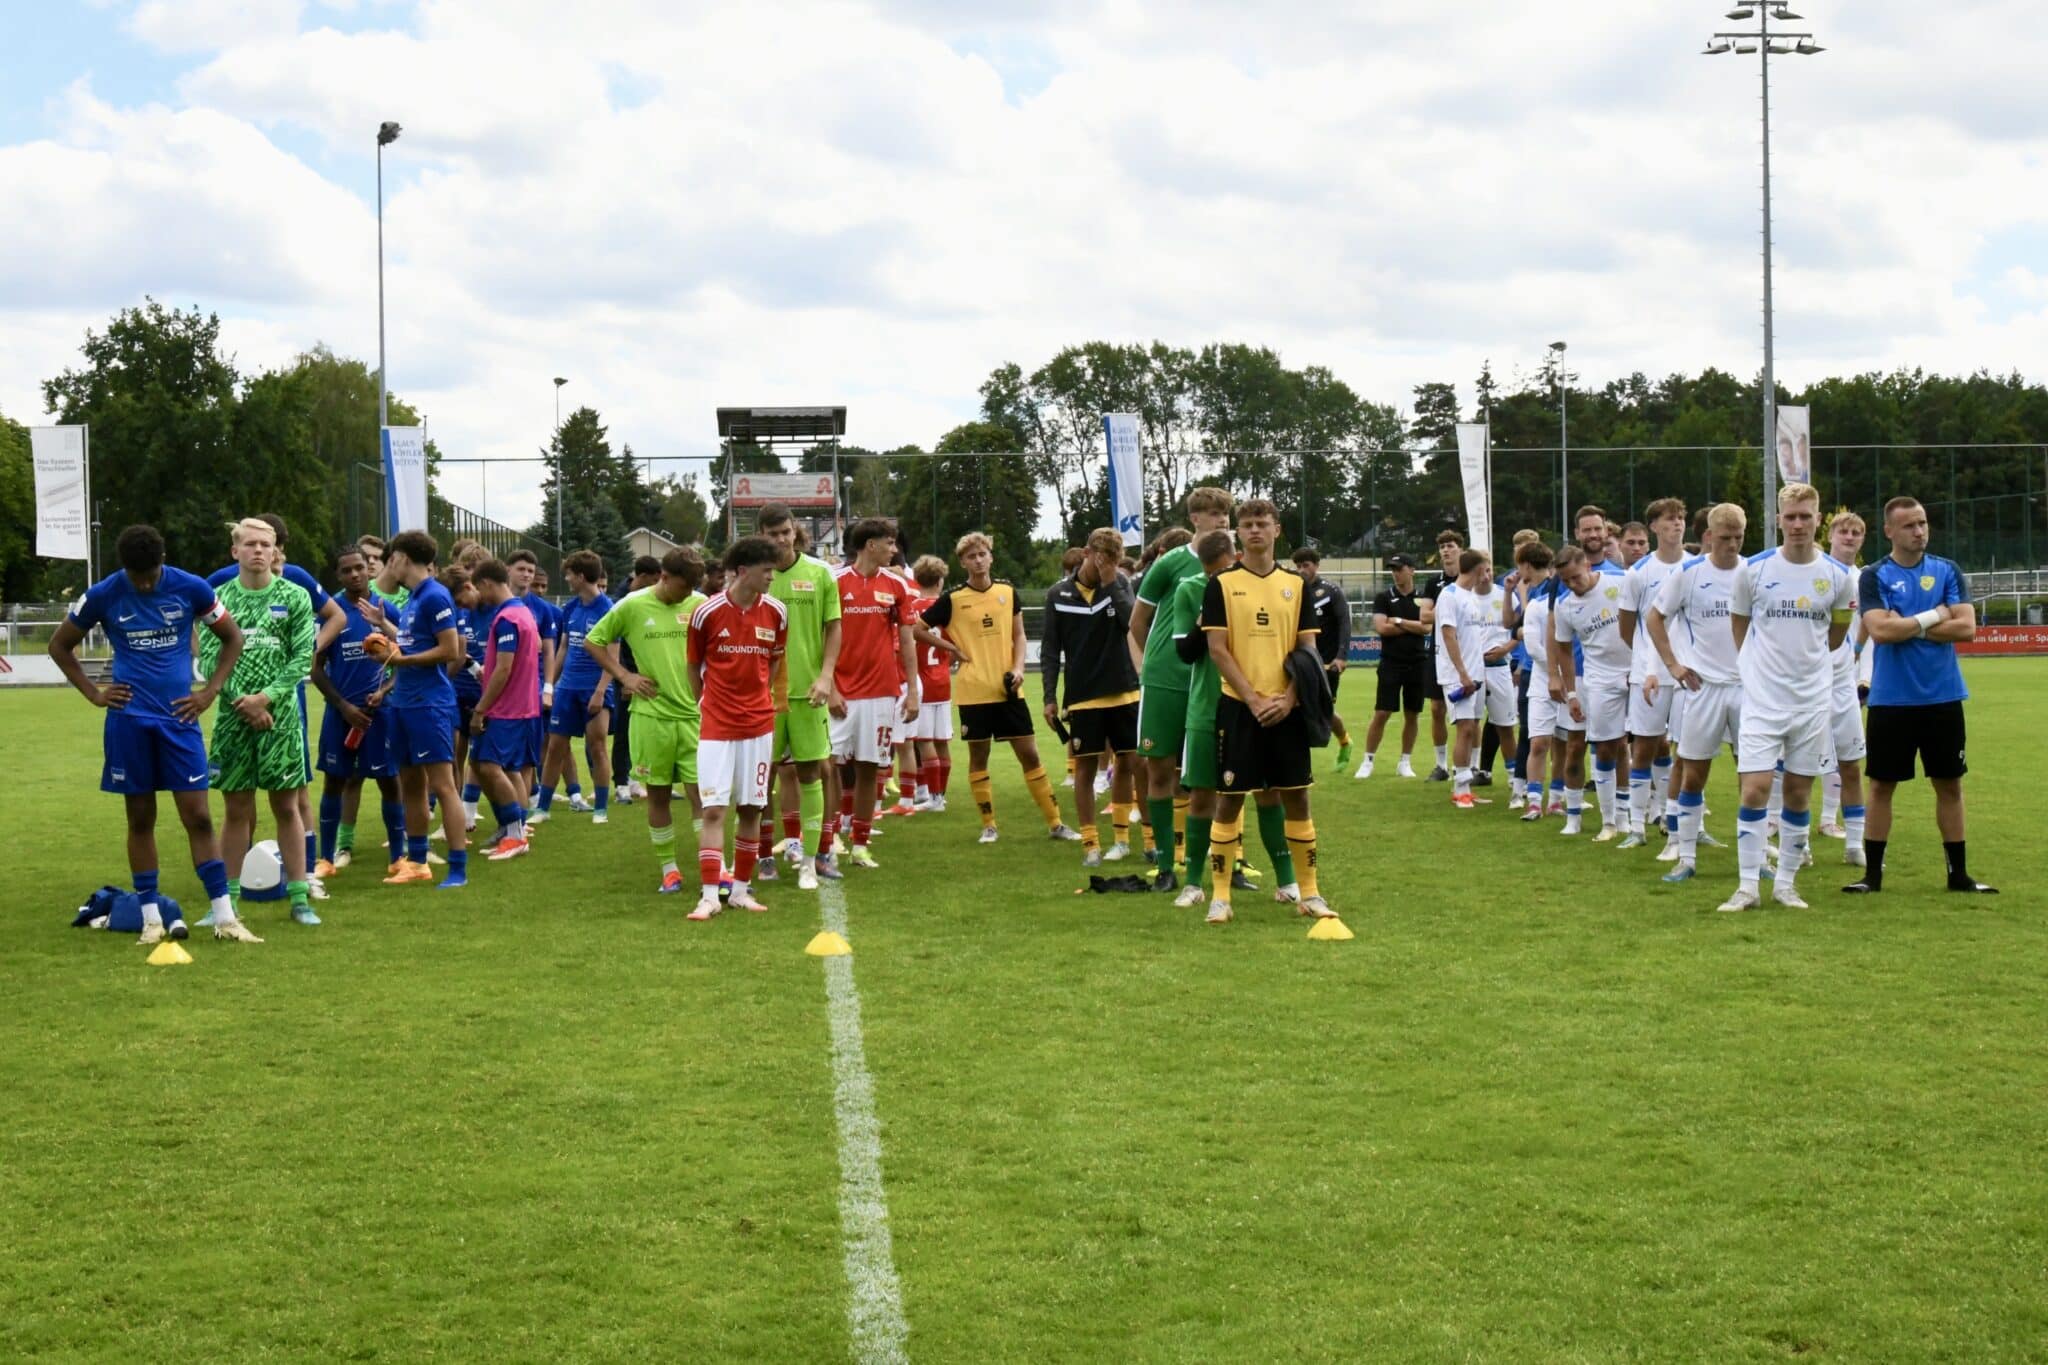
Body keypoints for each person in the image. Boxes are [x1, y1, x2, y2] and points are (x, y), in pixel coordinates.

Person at [48, 523, 244, 945]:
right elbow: (59, 646)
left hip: (179, 721)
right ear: (125, 570)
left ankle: (226, 918)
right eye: (138, 578)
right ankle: (151, 920)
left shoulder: (191, 588)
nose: (145, 583)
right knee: (140, 818)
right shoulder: (103, 594)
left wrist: (210, 691)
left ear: (162, 562)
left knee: (199, 816)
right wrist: (95, 694)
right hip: (129, 722)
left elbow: (232, 638)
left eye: (151, 576)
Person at [1846, 497, 1994, 895]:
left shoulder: (1947, 570)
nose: (1919, 531)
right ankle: (1872, 876)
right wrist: (1935, 615)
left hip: (1943, 697)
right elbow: (1880, 631)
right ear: (1889, 531)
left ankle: (1958, 875)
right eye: (1910, 525)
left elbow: (1966, 629)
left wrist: (1909, 624)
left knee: (1949, 785)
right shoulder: (1874, 576)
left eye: (1923, 523)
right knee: (1881, 786)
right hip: (1891, 700)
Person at [1720, 482, 1854, 912]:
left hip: (1812, 700)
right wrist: (1758, 671)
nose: (1798, 524)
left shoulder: (1837, 575)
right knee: (1755, 789)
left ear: (1819, 519)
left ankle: (1786, 885)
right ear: (1778, 519)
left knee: (1798, 793)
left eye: (1806, 516)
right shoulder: (1753, 571)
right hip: (1763, 700)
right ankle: (1746, 887)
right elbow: (1739, 626)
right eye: (1790, 516)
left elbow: (1836, 635)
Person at [1199, 499, 1333, 924]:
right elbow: (1217, 650)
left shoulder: (1296, 585)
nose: (1255, 530)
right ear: (1238, 532)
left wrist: (1290, 699)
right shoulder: (1220, 584)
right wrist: (1254, 699)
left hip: (1285, 710)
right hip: (1240, 709)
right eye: (1247, 524)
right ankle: (1220, 897)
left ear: (1277, 530)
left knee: (1297, 797)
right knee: (1229, 801)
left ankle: (1309, 893)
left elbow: (1308, 651)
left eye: (1263, 523)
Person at [204, 512, 346, 899]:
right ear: (235, 550)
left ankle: (300, 894)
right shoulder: (218, 600)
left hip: (280, 717)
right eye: (250, 544)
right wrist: (242, 701)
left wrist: (265, 698)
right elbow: (207, 657)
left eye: (265, 545)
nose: (258, 550)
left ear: (275, 551)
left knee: (288, 807)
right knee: (236, 810)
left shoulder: (294, 596)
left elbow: (303, 657)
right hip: (234, 717)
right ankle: (227, 899)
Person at [920, 532, 1078, 846]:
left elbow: (1019, 636)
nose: (978, 560)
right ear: (962, 562)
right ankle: (989, 825)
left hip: (1008, 691)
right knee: (979, 757)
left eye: (982, 554)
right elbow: (917, 629)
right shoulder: (952, 599)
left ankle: (1056, 823)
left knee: (1030, 755)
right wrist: (951, 647)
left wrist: (1018, 668)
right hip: (974, 692)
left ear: (990, 557)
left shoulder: (1007, 592)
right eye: (971, 556)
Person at [584, 547, 708, 894]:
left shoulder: (700, 604)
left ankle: (713, 870)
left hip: (696, 716)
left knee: (703, 795)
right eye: (682, 588)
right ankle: (669, 869)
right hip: (651, 717)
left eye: (691, 589)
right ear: (664, 577)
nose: (686, 595)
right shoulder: (632, 605)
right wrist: (625, 676)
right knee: (658, 795)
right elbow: (594, 642)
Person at [1127, 488, 1235, 882]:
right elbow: (1137, 622)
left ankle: (1229, 859)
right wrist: (1146, 668)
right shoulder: (1171, 562)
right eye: (1212, 513)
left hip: (1210, 683)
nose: (1221, 520)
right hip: (1166, 681)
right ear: (1194, 519)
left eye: (1224, 513)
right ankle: (1165, 863)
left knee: (1223, 775)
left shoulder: (1235, 566)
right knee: (1159, 771)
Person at [685, 537, 788, 920]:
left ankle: (741, 891)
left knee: (751, 808)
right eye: (766, 571)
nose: (772, 577)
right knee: (714, 809)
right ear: (743, 571)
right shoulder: (706, 613)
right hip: (717, 725)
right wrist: (706, 703)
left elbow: (773, 664)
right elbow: (693, 668)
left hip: (759, 726)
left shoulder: (777, 612)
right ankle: (710, 894)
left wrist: (757, 697)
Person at [1646, 502, 1748, 882]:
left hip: (1745, 689)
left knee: (1753, 775)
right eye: (1725, 538)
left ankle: (1754, 859)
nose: (1732, 545)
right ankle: (1685, 856)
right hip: (1703, 689)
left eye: (1738, 537)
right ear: (1709, 536)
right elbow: (1654, 617)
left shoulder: (1753, 572)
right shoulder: (1688, 574)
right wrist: (1673, 665)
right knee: (1693, 773)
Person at [1043, 527, 1141, 867]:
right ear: (1086, 553)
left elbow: (1131, 623)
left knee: (1129, 764)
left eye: (1111, 561)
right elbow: (1051, 650)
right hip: (1083, 695)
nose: (1103, 567)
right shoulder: (1058, 594)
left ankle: (1123, 840)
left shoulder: (1120, 584)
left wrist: (1112, 579)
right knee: (1084, 769)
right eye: (1100, 560)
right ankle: (1091, 844)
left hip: (1126, 690)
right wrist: (1049, 696)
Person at [379, 530, 471, 889]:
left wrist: (401, 660)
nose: (390, 567)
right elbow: (409, 646)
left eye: (392, 559)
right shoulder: (414, 598)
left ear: (402, 558)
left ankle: (458, 869)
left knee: (443, 786)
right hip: (403, 702)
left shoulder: (435, 595)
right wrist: (384, 635)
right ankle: (417, 862)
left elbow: (450, 650)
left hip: (429, 704)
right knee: (410, 784)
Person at [757, 507, 843, 890]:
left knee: (812, 774)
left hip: (809, 694)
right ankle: (762, 857)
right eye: (773, 533)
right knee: (761, 780)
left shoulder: (820, 573)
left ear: (796, 532)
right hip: (763, 698)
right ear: (761, 534)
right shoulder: (753, 577)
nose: (780, 539)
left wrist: (826, 676)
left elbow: (834, 628)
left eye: (786, 532)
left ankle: (811, 860)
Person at [310, 546, 404, 881]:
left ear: (369, 569)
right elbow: (316, 669)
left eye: (360, 568)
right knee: (335, 782)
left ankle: (398, 857)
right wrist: (344, 706)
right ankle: (326, 858)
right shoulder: (330, 612)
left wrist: (384, 691)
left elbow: (404, 661)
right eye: (347, 570)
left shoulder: (384, 609)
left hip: (381, 714)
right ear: (338, 575)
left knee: (389, 781)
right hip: (342, 713)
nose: (354, 574)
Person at [830, 519, 919, 869]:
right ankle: (830, 835)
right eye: (889, 543)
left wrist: (912, 691)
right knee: (830, 768)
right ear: (869, 545)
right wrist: (831, 686)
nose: (894, 549)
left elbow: (908, 641)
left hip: (882, 693)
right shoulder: (834, 582)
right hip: (840, 693)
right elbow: (820, 641)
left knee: (870, 768)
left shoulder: (897, 585)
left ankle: (860, 844)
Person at [1168, 529, 1239, 909]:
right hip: (1206, 705)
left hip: (1250, 705)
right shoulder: (1189, 589)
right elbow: (1186, 652)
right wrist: (1202, 618)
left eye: (1222, 572)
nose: (1216, 581)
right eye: (1211, 575)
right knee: (1201, 796)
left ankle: (1290, 883)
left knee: (1267, 794)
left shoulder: (1252, 586)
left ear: (1236, 557)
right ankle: (1193, 883)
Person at [1548, 545, 1631, 838]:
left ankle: (1624, 816)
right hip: (1598, 679)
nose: (1572, 585)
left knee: (1634, 745)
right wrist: (1571, 694)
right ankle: (1602, 821)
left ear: (1587, 565)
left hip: (1635, 672)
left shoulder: (1620, 582)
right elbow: (1564, 650)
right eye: (1565, 581)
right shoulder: (1565, 605)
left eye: (1575, 577)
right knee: (1602, 747)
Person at [1619, 498, 1689, 849]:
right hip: (1647, 676)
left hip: (1687, 677)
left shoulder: (1696, 567)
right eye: (1669, 519)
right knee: (1644, 748)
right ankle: (1636, 826)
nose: (1677, 524)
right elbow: (1627, 629)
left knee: (1688, 751)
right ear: (1654, 527)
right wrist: (1649, 665)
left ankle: (1676, 821)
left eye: (1681, 518)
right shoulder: (1638, 573)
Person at [466, 559, 542, 861]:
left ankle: (515, 836)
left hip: (506, 709)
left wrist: (480, 709)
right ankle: (512, 829)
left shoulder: (508, 618)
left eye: (476, 586)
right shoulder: (522, 612)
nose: (476, 594)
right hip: (522, 706)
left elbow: (504, 669)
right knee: (505, 769)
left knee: (487, 766)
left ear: (485, 583)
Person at [537, 550, 616, 824]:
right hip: (567, 689)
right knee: (555, 746)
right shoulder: (570, 608)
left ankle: (601, 810)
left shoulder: (609, 609)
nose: (567, 578)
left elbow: (613, 657)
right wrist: (550, 685)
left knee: (597, 746)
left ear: (581, 576)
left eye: (570, 574)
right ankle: (542, 809)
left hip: (595, 689)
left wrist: (600, 691)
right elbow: (562, 648)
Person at [1816, 511, 1869, 867]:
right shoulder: (1816, 571)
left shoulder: (1865, 579)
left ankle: (1853, 842)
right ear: (1830, 535)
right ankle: (1791, 835)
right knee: (1797, 765)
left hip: (1845, 683)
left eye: (1856, 533)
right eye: (1843, 531)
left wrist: (1861, 666)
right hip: (1809, 683)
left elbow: (1868, 625)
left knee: (1850, 762)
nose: (1849, 537)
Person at [1358, 553, 1427, 778]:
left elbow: (1427, 628)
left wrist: (1398, 620)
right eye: (1393, 569)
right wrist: (1412, 625)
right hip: (1390, 663)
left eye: (1400, 568)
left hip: (1417, 662)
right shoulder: (1383, 597)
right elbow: (1381, 628)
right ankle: (1368, 761)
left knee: (1412, 714)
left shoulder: (1423, 598)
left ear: (1412, 570)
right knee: (1382, 712)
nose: (1396, 573)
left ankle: (1405, 762)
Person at [1292, 547, 1354, 770]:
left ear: (1316, 566)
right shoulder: (1291, 589)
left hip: (1327, 662)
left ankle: (1345, 741)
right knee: (1297, 709)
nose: (1301, 570)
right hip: (1300, 662)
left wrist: (1341, 656)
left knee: (1323, 711)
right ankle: (1298, 765)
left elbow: (1344, 623)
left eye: (1306, 565)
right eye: (1298, 566)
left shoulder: (1330, 591)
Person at [907, 555, 959, 812]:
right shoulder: (945, 608)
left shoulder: (911, 607)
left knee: (925, 741)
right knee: (942, 741)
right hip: (943, 682)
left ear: (916, 580)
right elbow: (951, 647)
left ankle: (933, 796)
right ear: (939, 581)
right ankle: (940, 795)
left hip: (921, 682)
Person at [1512, 542, 1560, 822]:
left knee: (1559, 740)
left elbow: (1526, 630)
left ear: (1527, 565)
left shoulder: (1551, 590)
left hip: (1550, 670)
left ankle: (1555, 797)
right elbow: (1518, 628)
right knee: (1536, 738)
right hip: (1538, 669)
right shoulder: (1534, 593)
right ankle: (1531, 797)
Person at [609, 554, 661, 806]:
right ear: (640, 578)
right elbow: (612, 644)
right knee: (623, 730)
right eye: (653, 580)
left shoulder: (647, 600)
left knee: (643, 731)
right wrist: (625, 678)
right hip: (626, 677)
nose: (655, 586)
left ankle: (635, 780)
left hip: (645, 676)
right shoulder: (620, 602)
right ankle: (620, 783)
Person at [1418, 529, 1464, 780]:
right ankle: (1441, 765)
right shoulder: (1434, 583)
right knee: (1437, 709)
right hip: (1438, 654)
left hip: (1465, 652)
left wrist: (1441, 610)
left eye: (1451, 546)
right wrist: (1450, 610)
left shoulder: (1467, 579)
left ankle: (1468, 764)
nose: (1446, 550)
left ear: (1460, 549)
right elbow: (1424, 616)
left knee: (1467, 713)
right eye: (1443, 547)